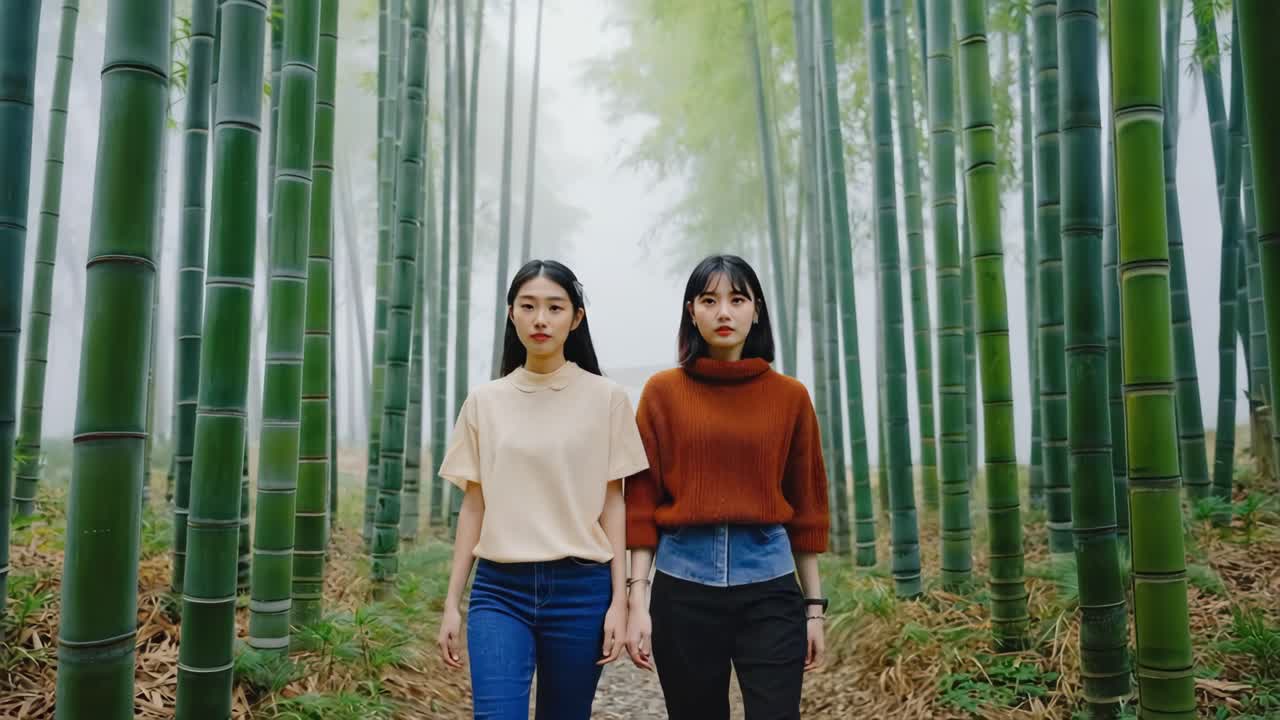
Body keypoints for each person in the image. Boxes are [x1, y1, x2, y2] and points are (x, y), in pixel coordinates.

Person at [436, 260, 649, 720]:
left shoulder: (606, 398)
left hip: (582, 590)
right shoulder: (484, 402)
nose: (540, 319)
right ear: (511, 313)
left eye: (555, 307)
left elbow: (614, 504)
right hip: (499, 589)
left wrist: (620, 602)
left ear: (576, 318)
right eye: (528, 306)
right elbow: (474, 506)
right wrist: (452, 603)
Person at [623, 253, 830, 720]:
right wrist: (638, 599)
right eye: (709, 300)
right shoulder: (662, 392)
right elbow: (640, 502)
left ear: (756, 310)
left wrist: (813, 609)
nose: (723, 312)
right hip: (682, 587)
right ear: (690, 311)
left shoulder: (790, 397)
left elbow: (808, 508)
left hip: (770, 586)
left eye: (737, 299)